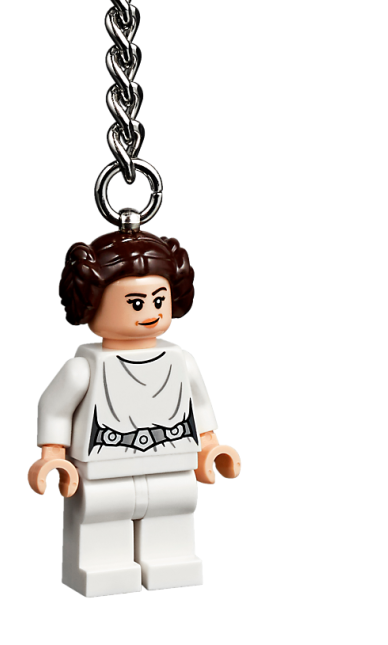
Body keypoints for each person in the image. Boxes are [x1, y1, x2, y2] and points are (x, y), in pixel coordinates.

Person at [27, 229, 242, 596]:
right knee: (101, 512)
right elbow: (55, 409)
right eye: (136, 303)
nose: (152, 313)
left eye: (159, 300)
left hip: (172, 458)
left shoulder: (182, 361)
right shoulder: (84, 369)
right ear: (92, 303)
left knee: (173, 507)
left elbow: (200, 406)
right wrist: (53, 455)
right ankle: (101, 567)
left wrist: (210, 446)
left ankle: (170, 559)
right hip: (104, 464)